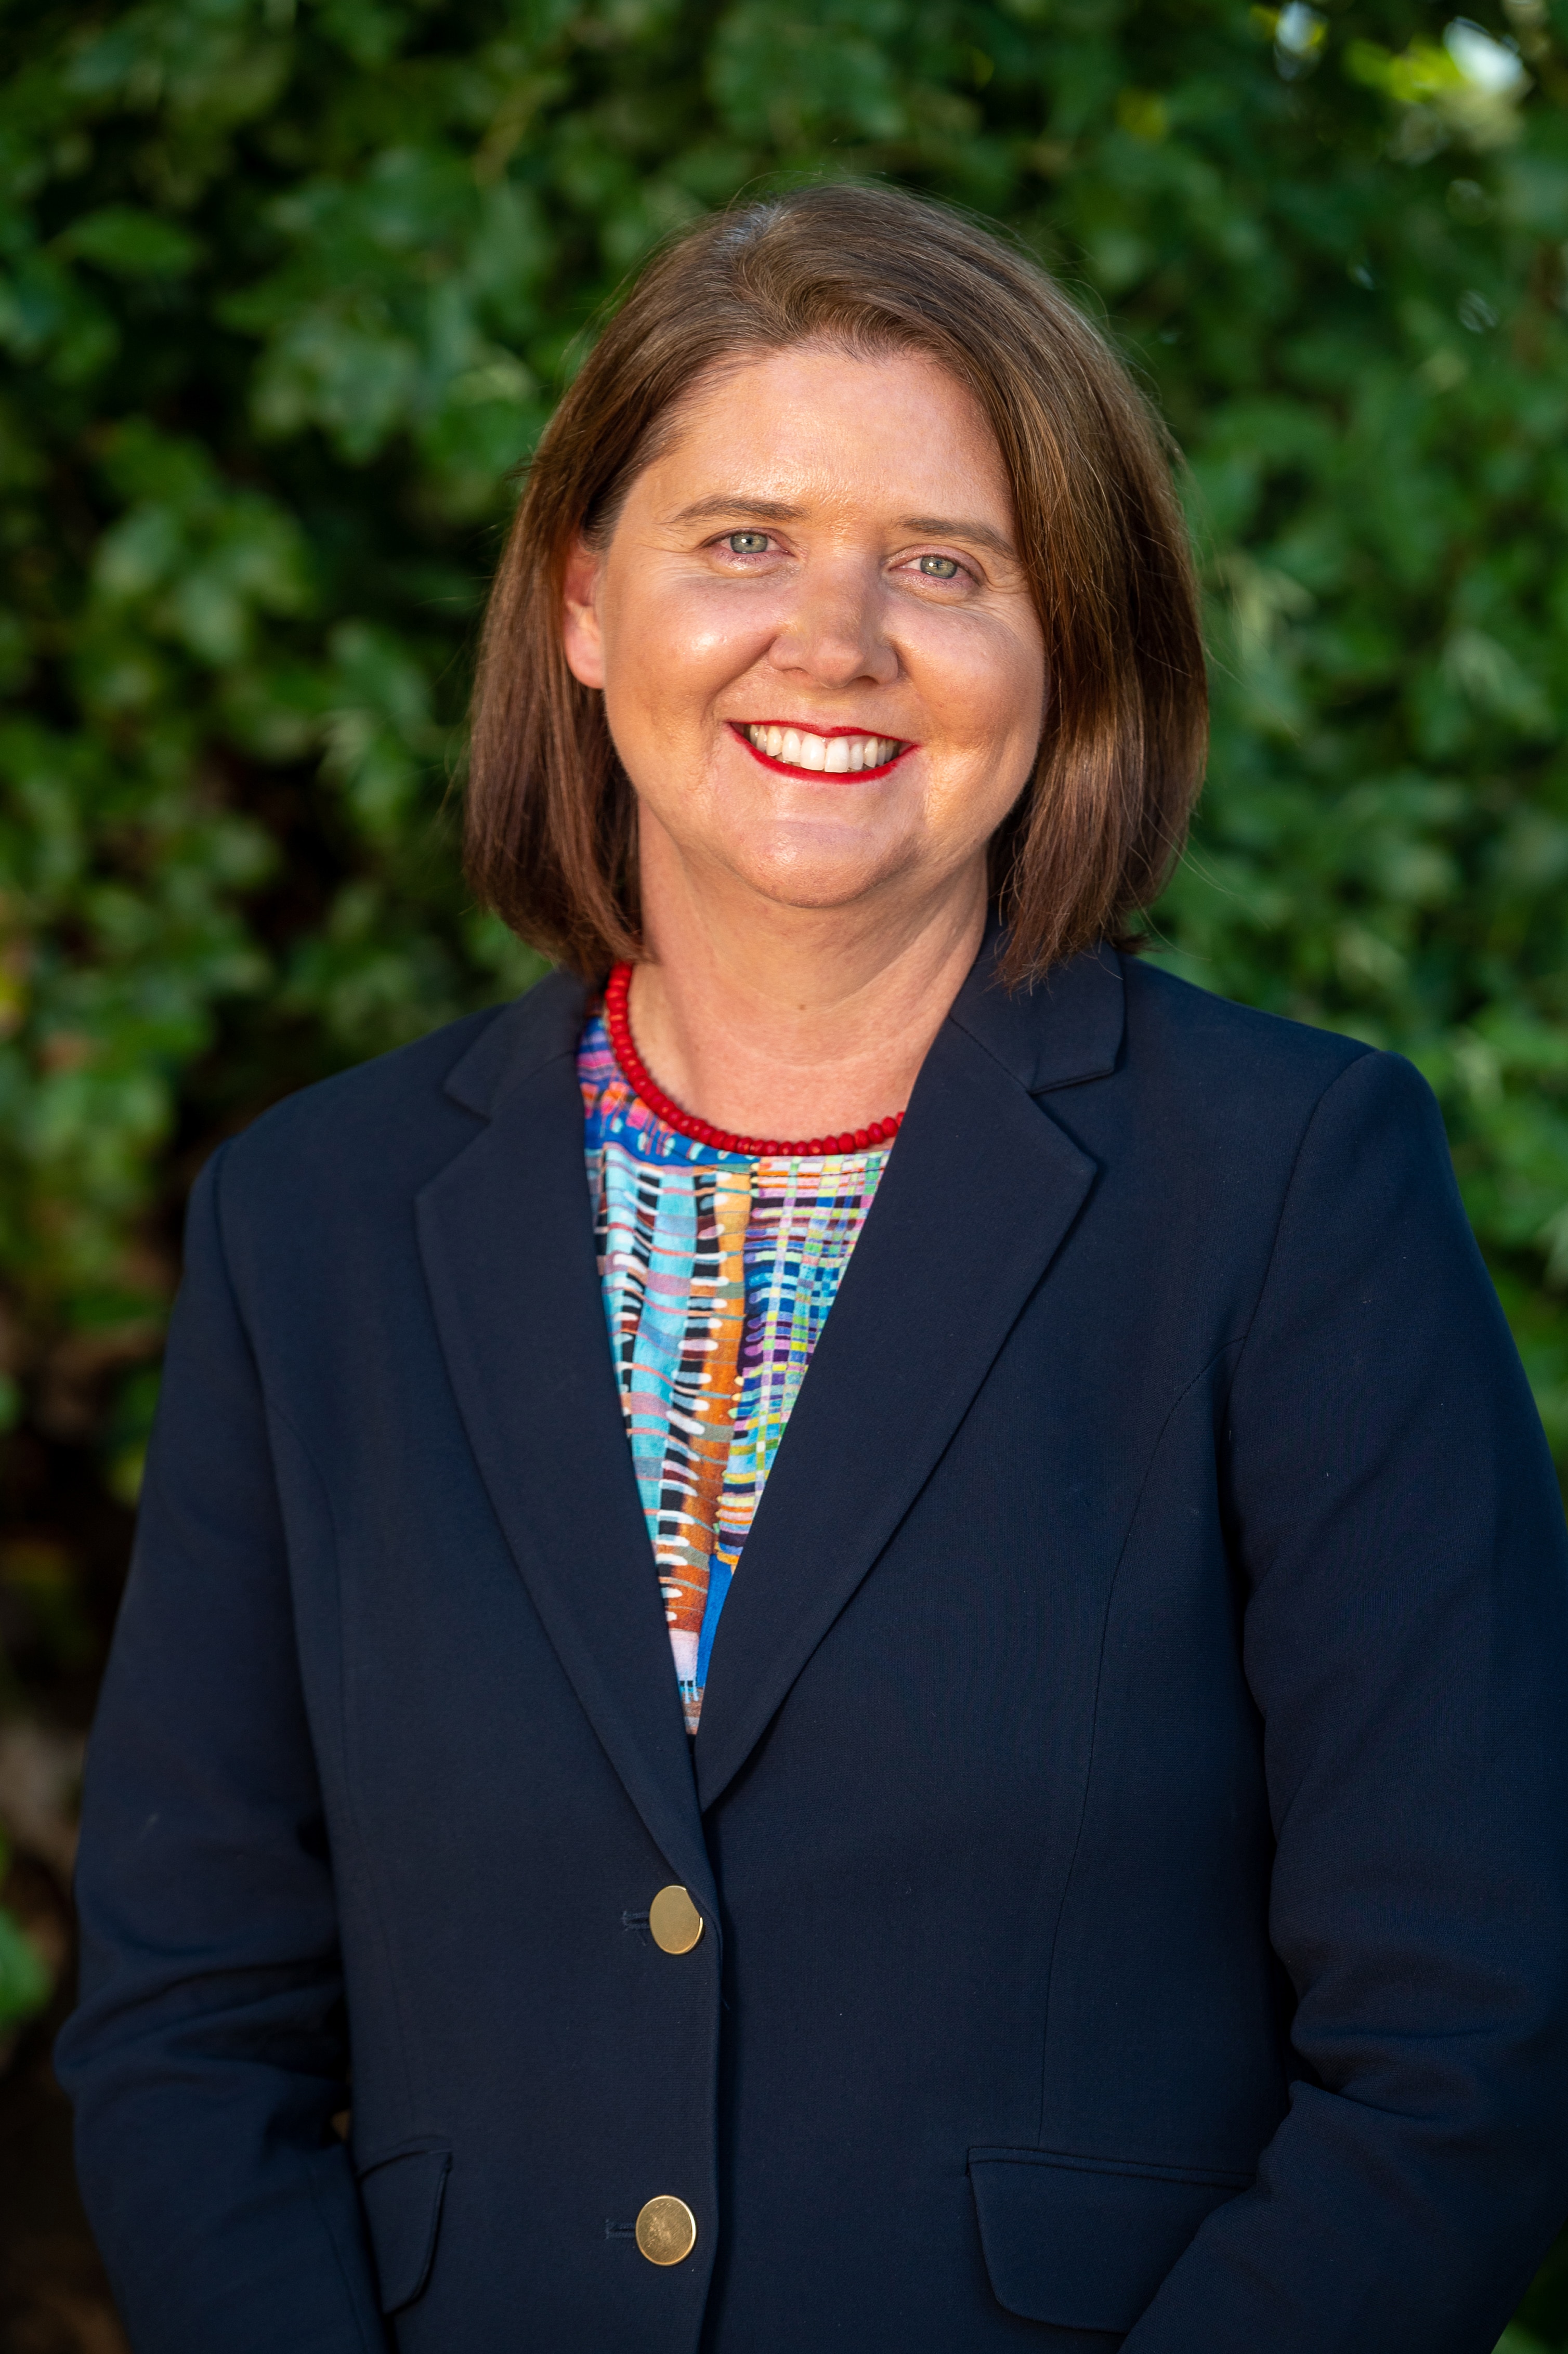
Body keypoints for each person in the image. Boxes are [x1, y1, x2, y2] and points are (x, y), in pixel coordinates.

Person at [57, 183, 1568, 2354]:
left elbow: (1467, 2040)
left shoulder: (1292, 1187)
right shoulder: (309, 1220)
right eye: (741, 540)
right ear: (585, 601)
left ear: (1073, 654)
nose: (834, 641)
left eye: (944, 568)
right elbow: (190, 2022)